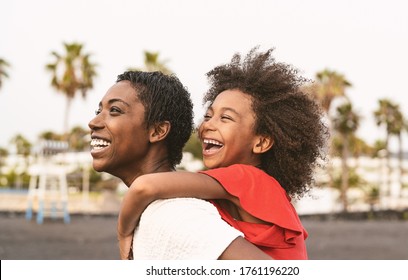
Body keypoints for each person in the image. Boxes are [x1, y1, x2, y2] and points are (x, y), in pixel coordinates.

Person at [118, 47, 328, 259]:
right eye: (208, 116)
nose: (208, 125)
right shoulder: (257, 186)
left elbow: (144, 187)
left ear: (261, 142)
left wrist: (123, 233)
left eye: (226, 118)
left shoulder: (246, 178)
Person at [88, 70, 271, 260]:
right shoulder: (168, 211)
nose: (93, 122)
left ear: (158, 130)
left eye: (115, 110)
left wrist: (123, 232)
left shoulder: (178, 217)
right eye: (98, 111)